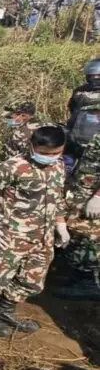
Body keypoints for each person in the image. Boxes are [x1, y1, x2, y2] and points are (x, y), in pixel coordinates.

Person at [0, 125, 70, 336]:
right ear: (32, 146)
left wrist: (61, 224)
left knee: (32, 281)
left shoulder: (59, 167)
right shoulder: (12, 167)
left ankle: (4, 308)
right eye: (44, 153)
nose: (50, 157)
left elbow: (57, 197)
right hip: (12, 234)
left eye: (56, 153)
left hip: (43, 237)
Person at [60, 111, 100, 299]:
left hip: (94, 197)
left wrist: (98, 197)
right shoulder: (94, 135)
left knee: (89, 236)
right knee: (77, 233)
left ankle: (88, 284)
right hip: (83, 191)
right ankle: (77, 276)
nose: (94, 117)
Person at [67, 58, 100, 131]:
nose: (95, 77)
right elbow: (72, 107)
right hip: (80, 129)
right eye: (92, 75)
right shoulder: (79, 91)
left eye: (98, 75)